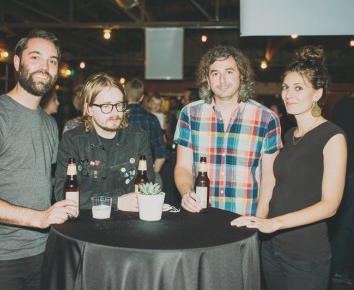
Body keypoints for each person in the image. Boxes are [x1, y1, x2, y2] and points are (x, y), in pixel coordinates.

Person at [0, 29, 78, 290]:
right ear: (17, 63)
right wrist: (37, 218)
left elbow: (47, 185)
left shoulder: (49, 124)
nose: (44, 67)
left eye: (52, 61)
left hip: (41, 252)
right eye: (35, 57)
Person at [231, 45, 347, 290]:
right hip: (272, 248)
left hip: (306, 255)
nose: (288, 94)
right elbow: (272, 183)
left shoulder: (333, 136)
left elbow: (330, 205)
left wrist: (276, 223)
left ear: (317, 93)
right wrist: (259, 221)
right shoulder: (290, 133)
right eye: (285, 87)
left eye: (298, 88)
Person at [174, 45, 282, 215]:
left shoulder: (266, 118)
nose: (222, 80)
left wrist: (259, 221)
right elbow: (183, 167)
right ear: (207, 79)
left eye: (229, 72)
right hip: (202, 217)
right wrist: (187, 193)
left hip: (245, 219)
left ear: (241, 75)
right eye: (215, 73)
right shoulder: (190, 114)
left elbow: (269, 177)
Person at [54, 73, 155, 211]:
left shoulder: (137, 137)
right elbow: (63, 195)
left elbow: (148, 187)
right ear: (88, 109)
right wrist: (116, 202)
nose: (115, 112)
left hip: (129, 223)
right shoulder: (72, 141)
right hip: (85, 225)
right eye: (106, 106)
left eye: (119, 104)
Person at [329, 93, 354, 285]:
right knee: (347, 222)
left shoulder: (340, 105)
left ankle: (336, 268)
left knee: (337, 221)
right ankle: (338, 270)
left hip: (338, 169)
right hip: (351, 171)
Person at [124, 79, 166, 186]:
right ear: (142, 97)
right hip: (146, 174)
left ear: (124, 95)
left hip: (121, 176)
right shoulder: (152, 119)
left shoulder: (116, 118)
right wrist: (153, 174)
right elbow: (160, 154)